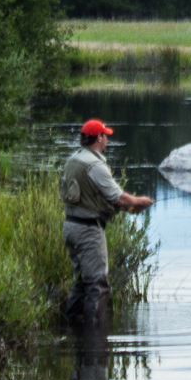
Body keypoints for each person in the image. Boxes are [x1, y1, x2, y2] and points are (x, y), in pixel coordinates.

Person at [58, 118, 153, 326]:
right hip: (88, 231)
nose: (106, 141)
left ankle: (73, 329)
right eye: (105, 136)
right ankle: (94, 337)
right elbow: (119, 198)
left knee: (81, 282)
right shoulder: (95, 165)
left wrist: (129, 207)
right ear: (98, 138)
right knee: (97, 285)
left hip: (71, 226)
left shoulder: (73, 159)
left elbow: (94, 198)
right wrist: (141, 201)